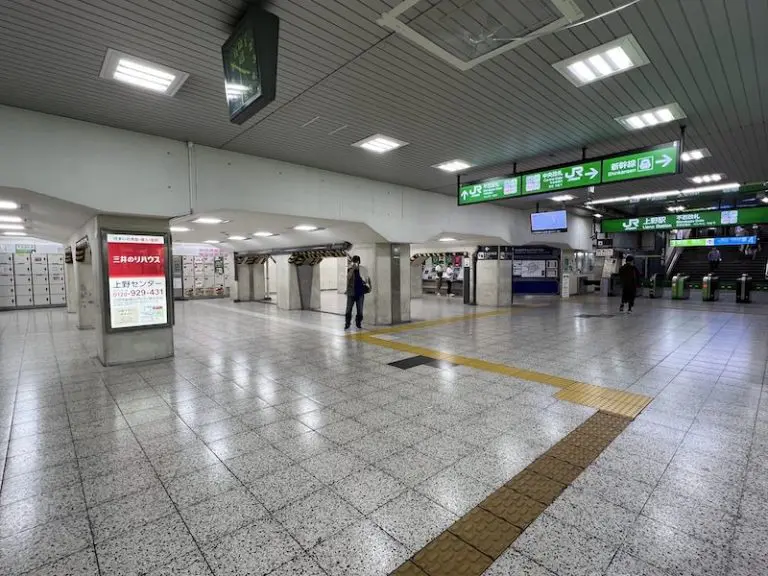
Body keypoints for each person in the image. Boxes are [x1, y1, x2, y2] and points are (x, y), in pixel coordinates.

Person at [344, 255, 370, 330]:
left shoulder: (362, 269)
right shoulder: (350, 269)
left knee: (360, 310)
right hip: (351, 293)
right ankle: (347, 323)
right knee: (348, 310)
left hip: (360, 293)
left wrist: (367, 285)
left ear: (359, 262)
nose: (355, 263)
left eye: (356, 261)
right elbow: (348, 277)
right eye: (354, 261)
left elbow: (366, 279)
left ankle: (358, 323)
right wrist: (352, 269)